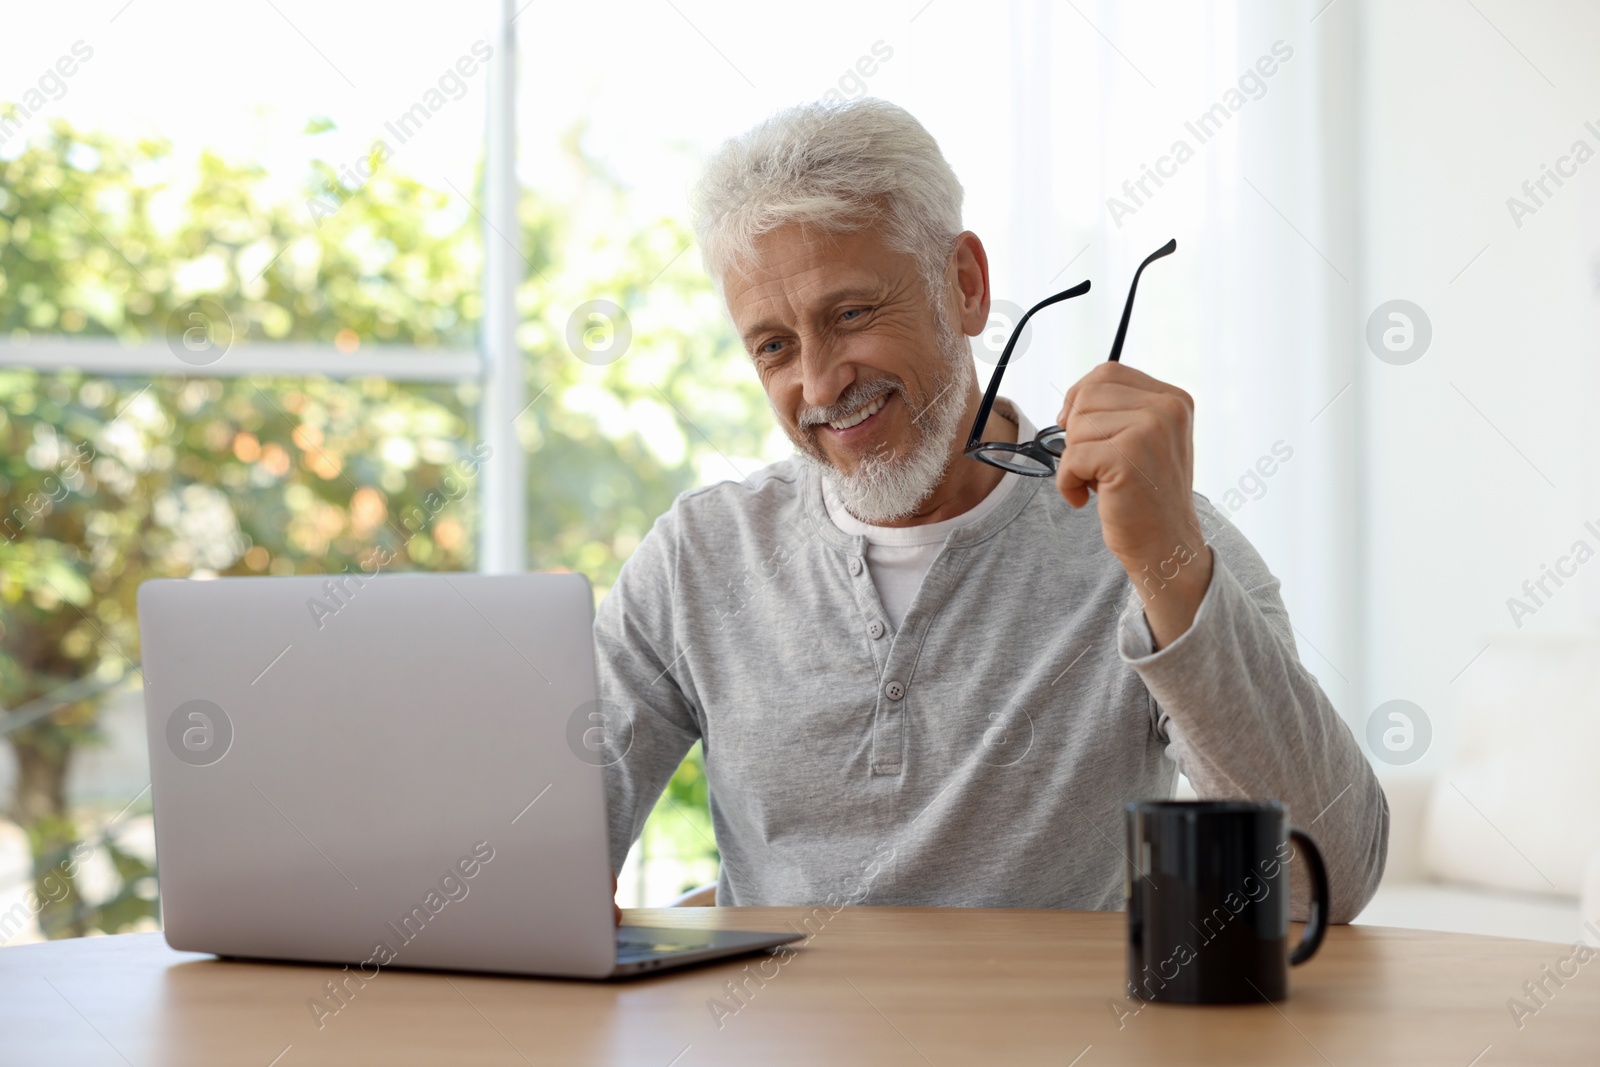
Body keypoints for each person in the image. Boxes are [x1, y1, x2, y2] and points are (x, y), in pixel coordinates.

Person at [596, 97, 1387, 922]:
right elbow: (530, 846)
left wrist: (1169, 564)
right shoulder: (700, 556)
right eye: (775, 346)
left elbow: (1324, 882)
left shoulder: (1155, 537)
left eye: (852, 314)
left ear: (965, 287)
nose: (822, 383)